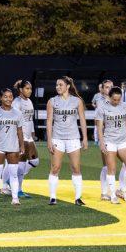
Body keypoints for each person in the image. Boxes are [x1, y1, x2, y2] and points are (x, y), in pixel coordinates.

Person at [45, 76, 88, 206]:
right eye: (57, 85)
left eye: (60, 85)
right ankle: (52, 197)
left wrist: (85, 138)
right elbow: (49, 121)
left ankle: (78, 198)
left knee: (76, 167)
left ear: (68, 86)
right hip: (57, 138)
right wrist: (49, 140)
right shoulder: (52, 101)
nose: (58, 87)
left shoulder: (77, 101)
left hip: (73, 138)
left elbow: (82, 119)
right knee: (55, 167)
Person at [96, 86, 126, 205]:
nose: (116, 102)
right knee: (111, 169)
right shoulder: (102, 107)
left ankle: (123, 190)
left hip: (123, 140)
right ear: (109, 97)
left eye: (118, 99)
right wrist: (102, 142)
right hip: (109, 141)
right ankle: (112, 194)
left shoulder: (125, 106)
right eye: (114, 99)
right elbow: (99, 127)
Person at [0, 88, 25, 206]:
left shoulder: (18, 113)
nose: (9, 99)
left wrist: (22, 145)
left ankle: (15, 198)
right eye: (6, 96)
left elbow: (20, 131)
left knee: (13, 174)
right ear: (0, 98)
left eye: (10, 96)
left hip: (13, 147)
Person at [12, 79, 40, 197]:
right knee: (21, 162)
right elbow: (14, 121)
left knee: (35, 161)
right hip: (21, 135)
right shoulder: (16, 103)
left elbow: (29, 119)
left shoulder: (29, 101)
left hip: (29, 136)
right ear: (20, 90)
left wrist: (32, 132)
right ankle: (18, 189)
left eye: (31, 89)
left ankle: (10, 180)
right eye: (27, 88)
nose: (30, 91)